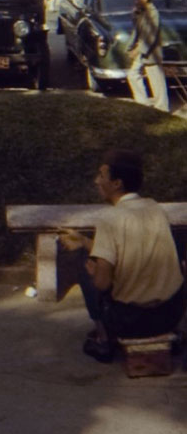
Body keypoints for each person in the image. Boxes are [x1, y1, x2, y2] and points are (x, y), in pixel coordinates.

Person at [59, 149, 187, 362]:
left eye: (101, 175)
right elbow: (129, 250)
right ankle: (172, 335)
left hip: (130, 322)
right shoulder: (155, 209)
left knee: (85, 267)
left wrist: (94, 270)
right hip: (170, 315)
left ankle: (104, 339)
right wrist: (83, 240)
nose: (96, 181)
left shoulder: (110, 219)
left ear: (116, 183)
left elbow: (102, 283)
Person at [128, 0, 170, 110]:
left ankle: (162, 109)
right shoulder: (142, 12)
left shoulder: (153, 13)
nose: (136, 0)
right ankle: (143, 104)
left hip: (151, 53)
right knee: (132, 75)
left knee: (157, 81)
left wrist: (138, 50)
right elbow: (137, 31)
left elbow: (151, 36)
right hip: (142, 51)